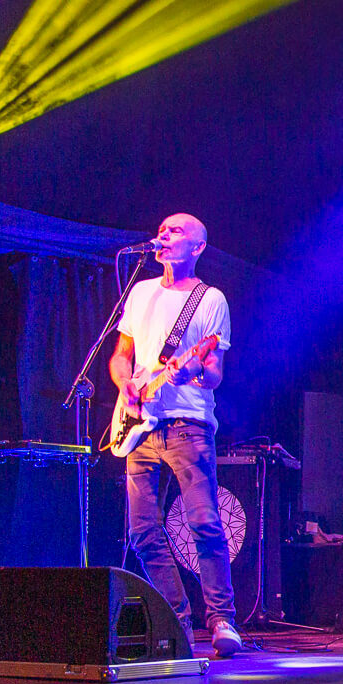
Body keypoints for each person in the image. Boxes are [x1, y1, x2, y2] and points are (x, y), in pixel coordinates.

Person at [110, 213, 241, 657]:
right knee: (142, 532)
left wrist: (192, 373)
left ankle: (221, 619)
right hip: (139, 426)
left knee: (204, 523)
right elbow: (122, 356)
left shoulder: (210, 299)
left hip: (189, 425)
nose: (164, 234)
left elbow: (214, 374)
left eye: (176, 231)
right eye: (163, 229)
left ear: (198, 247)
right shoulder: (140, 292)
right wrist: (124, 384)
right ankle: (177, 620)